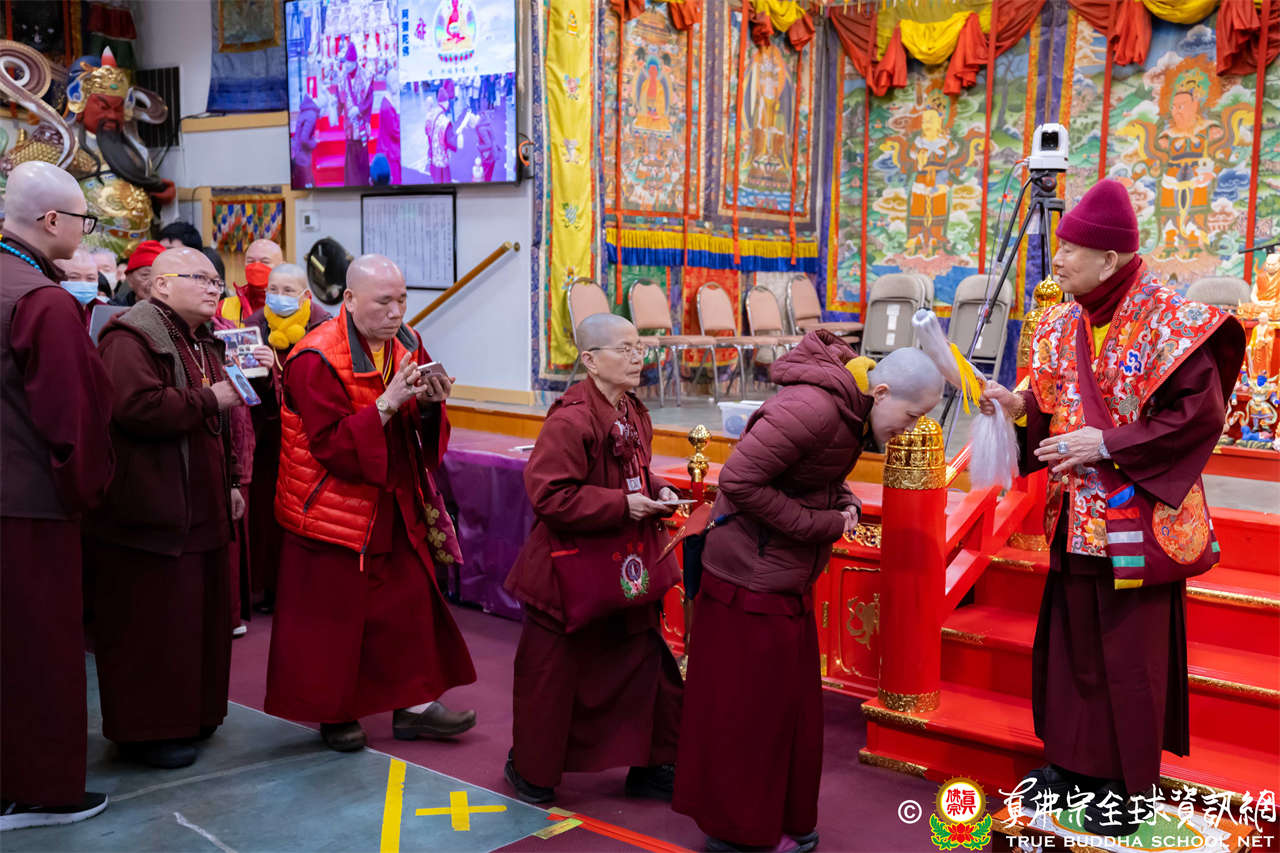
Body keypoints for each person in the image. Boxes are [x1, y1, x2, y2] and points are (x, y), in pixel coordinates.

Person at [979, 179, 1246, 837]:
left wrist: (1106, 443)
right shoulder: (1061, 321)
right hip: (1074, 514)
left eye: (1072, 249)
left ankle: (1127, 788)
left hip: (1138, 517)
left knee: (1130, 657)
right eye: (1060, 245)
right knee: (1072, 643)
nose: (1058, 258)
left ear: (1109, 259)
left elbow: (1198, 417)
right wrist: (1017, 406)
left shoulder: (1170, 320)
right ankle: (1071, 765)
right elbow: (1051, 401)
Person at [673, 336, 944, 852]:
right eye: (911, 417)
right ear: (882, 392)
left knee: (787, 711)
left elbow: (811, 475)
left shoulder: (850, 412)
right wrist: (822, 524)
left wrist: (844, 501)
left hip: (782, 575)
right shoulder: (813, 409)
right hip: (748, 579)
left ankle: (780, 819)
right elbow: (740, 481)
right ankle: (736, 833)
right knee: (746, 713)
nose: (911, 430)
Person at [265, 254, 476, 752]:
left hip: (392, 495)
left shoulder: (407, 342)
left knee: (408, 604)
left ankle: (415, 706)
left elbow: (419, 424)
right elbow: (331, 447)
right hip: (330, 506)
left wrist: (429, 405)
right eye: (383, 302)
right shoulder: (314, 357)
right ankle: (335, 712)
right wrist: (386, 403)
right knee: (334, 619)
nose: (396, 312)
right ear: (349, 299)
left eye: (402, 300)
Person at [503, 313, 685, 805]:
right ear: (590, 360)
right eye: (624, 349)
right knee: (551, 676)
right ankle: (533, 772)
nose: (637, 357)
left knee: (646, 665)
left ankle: (652, 764)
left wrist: (659, 489)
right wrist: (622, 505)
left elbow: (636, 470)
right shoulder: (571, 420)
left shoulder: (630, 409)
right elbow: (549, 497)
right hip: (569, 570)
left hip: (623, 565)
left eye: (639, 347)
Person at [85, 247, 245, 770]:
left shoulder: (202, 340)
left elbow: (222, 416)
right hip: (149, 511)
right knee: (153, 627)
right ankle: (147, 732)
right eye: (200, 278)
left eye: (217, 281)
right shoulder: (130, 337)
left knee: (199, 622)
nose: (213, 288)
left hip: (202, 505)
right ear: (159, 285)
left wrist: (232, 480)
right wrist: (212, 399)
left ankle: (195, 715)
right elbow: (134, 408)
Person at [0, 161, 115, 830]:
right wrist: (86, 492)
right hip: (29, 504)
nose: (85, 230)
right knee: (38, 649)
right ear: (51, 221)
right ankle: (37, 788)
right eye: (83, 219)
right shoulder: (41, 301)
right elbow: (74, 416)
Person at [242, 263, 332, 613]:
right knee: (267, 515)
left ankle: (306, 589)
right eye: (273, 291)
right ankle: (268, 588)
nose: (278, 297)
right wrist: (261, 371)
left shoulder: (323, 327)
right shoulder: (254, 326)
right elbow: (245, 387)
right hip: (268, 439)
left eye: (288, 291)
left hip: (310, 438)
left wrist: (280, 371)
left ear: (306, 295)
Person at [218, 238, 282, 327]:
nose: (256, 266)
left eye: (265, 262)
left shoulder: (293, 306)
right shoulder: (224, 307)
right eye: (250, 261)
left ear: (281, 266)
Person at [55, 248, 110, 326]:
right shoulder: (48, 313)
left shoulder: (105, 315)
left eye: (90, 278)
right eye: (74, 277)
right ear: (56, 279)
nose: (83, 283)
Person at [111, 239, 164, 306]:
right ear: (130, 279)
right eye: (145, 275)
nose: (153, 282)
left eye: (162, 276)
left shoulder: (176, 310)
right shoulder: (112, 309)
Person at [291, 91, 320, 188]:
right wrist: (314, 142)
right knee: (308, 185)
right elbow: (304, 139)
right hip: (303, 157)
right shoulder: (312, 115)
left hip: (298, 153)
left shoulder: (304, 112)